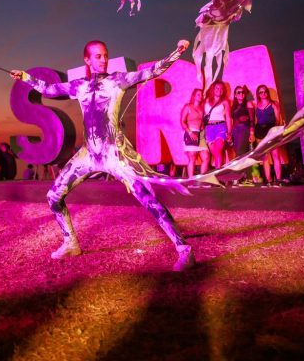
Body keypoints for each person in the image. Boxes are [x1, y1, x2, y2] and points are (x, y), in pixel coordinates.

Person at [10, 39, 195, 271]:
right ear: (87, 60)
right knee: (53, 197)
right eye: (98, 56)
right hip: (88, 154)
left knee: (147, 198)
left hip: (113, 153)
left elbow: (152, 71)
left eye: (105, 55)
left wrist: (176, 53)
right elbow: (48, 90)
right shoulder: (79, 86)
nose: (103, 60)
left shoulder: (117, 80)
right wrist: (26, 77)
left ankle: (184, 249)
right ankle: (71, 242)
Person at [254, 84, 284, 187]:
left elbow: (278, 120)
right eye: (261, 92)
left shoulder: (274, 104)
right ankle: (269, 180)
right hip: (260, 131)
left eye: (265, 91)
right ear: (258, 94)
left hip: (272, 130)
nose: (263, 94)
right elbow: (256, 120)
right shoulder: (256, 105)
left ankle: (278, 180)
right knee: (265, 157)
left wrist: (277, 132)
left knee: (275, 155)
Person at [179, 88, 209, 179]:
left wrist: (203, 133)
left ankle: (202, 180)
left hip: (200, 133)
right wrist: (190, 132)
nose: (201, 96)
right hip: (190, 132)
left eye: (201, 95)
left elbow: (202, 123)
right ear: (194, 96)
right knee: (192, 157)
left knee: (206, 157)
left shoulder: (202, 108)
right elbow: (182, 121)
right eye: (198, 95)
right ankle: (191, 180)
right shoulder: (188, 107)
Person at [203, 81, 232, 171]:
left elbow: (228, 117)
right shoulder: (206, 100)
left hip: (220, 127)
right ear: (213, 89)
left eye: (221, 89)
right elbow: (202, 115)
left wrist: (229, 132)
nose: (219, 90)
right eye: (217, 88)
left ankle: (218, 177)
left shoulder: (225, 102)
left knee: (218, 151)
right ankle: (218, 173)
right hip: (209, 128)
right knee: (215, 153)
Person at [230, 85, 256, 186]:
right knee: (241, 154)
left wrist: (252, 133)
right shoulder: (234, 106)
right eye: (238, 92)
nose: (241, 94)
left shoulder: (248, 104)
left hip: (245, 130)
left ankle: (241, 178)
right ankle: (245, 178)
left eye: (242, 92)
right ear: (235, 95)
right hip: (235, 132)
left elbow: (252, 120)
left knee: (241, 153)